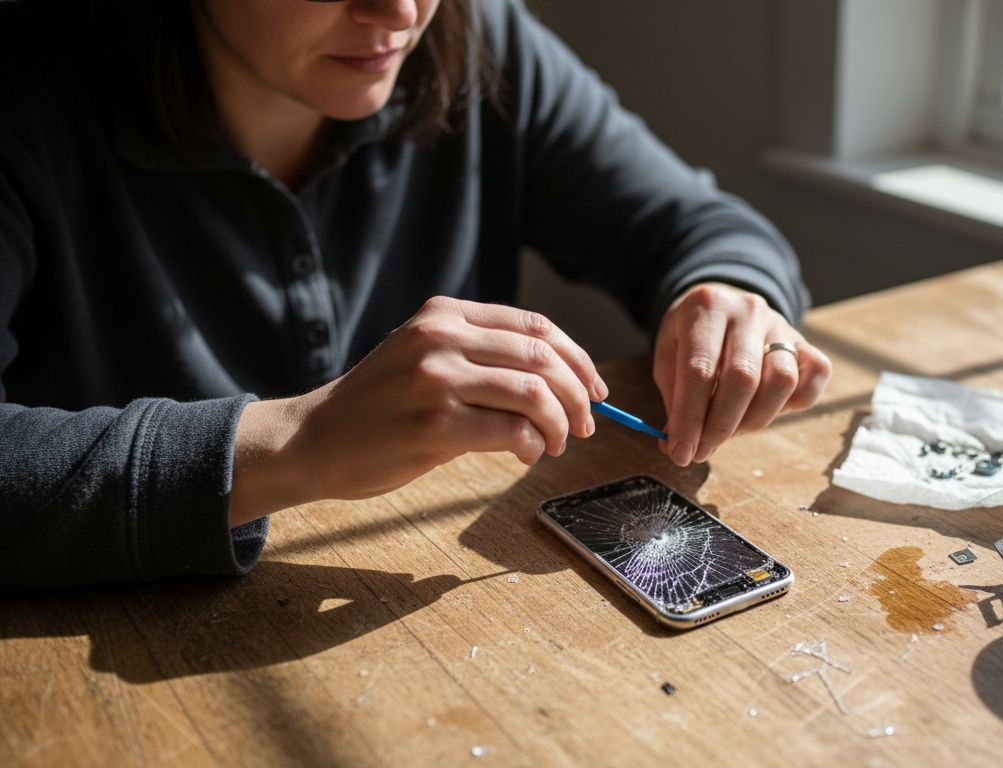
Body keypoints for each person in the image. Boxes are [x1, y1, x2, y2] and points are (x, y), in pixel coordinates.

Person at [0, 0, 831, 591]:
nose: (398, 10)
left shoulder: (483, 40)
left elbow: (693, 221)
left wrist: (727, 292)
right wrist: (294, 441)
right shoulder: (28, 95)